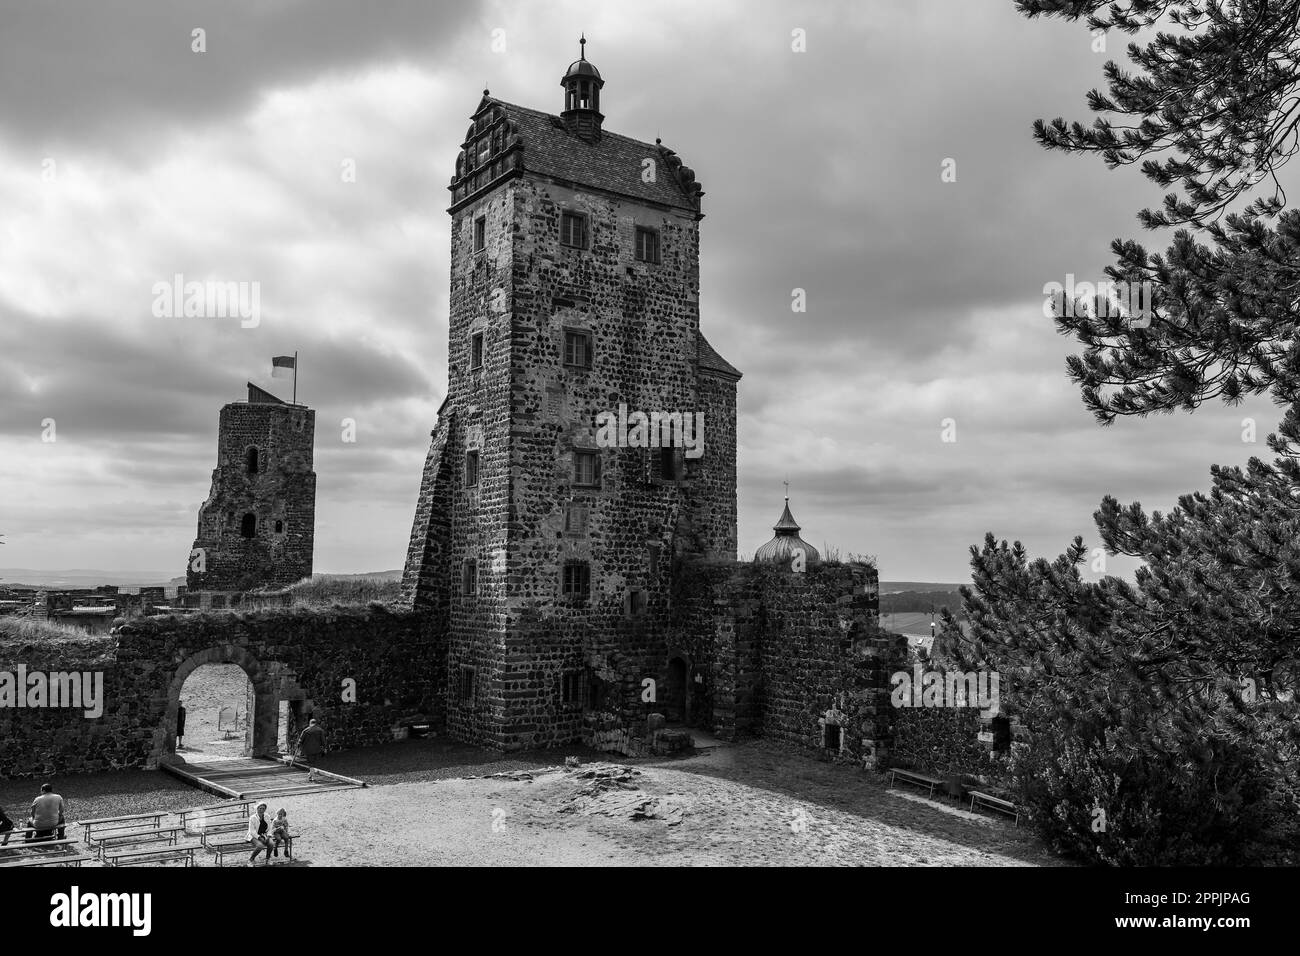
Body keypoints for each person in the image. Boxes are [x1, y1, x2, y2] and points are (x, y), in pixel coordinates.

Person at [295, 718, 327, 782]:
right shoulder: (320, 730)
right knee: (313, 763)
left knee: (311, 763)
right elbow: (323, 741)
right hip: (317, 750)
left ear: (310, 723)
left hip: (308, 750)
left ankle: (311, 776)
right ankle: (311, 774)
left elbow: (300, 740)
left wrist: (298, 746)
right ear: (316, 723)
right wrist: (325, 748)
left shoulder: (305, 730)